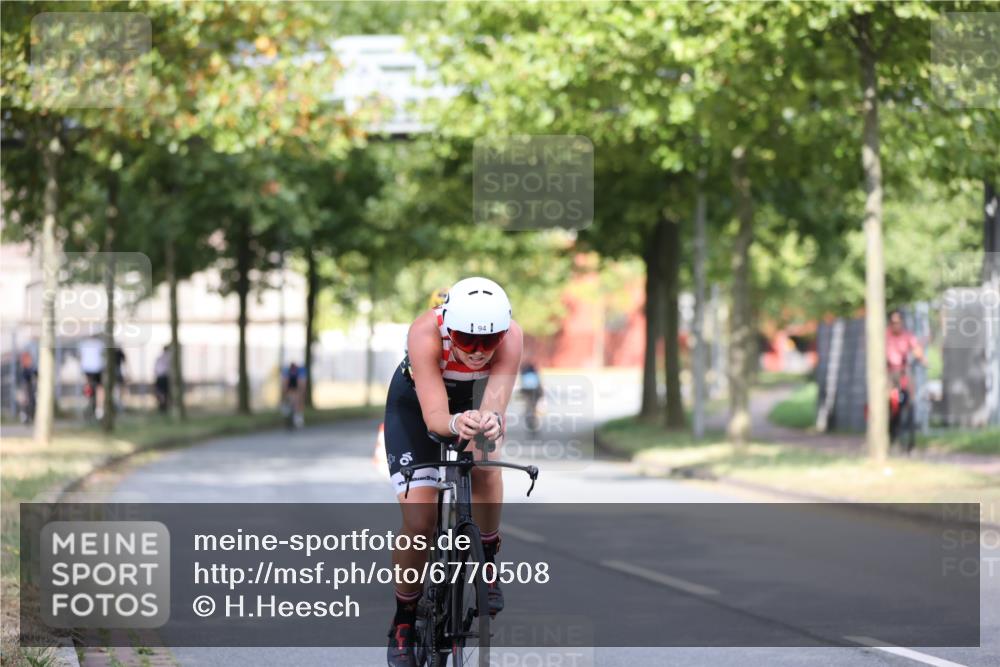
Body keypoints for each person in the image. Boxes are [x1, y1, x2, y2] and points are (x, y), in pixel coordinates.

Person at [384, 277, 522, 667]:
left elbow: (494, 402)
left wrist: (491, 421)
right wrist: (455, 422)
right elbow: (435, 416)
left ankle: (487, 558)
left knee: (484, 459)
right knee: (420, 521)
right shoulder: (425, 331)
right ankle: (404, 620)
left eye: (489, 340)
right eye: (466, 339)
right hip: (417, 407)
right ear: (448, 324)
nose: (478, 352)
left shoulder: (513, 337)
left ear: (504, 330)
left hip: (473, 400)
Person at [886, 309, 925, 447]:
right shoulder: (885, 335)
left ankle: (910, 437)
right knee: (888, 402)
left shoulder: (907, 336)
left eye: (898, 322)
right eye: (893, 322)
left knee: (910, 399)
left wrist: (922, 359)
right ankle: (890, 433)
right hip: (889, 373)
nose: (896, 325)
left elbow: (916, 349)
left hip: (903, 371)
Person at [78, 336, 105, 418]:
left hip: (92, 368)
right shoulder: (100, 344)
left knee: (94, 388)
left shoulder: (84, 343)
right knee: (96, 388)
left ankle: (96, 408)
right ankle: (95, 407)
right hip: (93, 368)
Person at [282, 361, 305, 428]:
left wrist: (301, 393)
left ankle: (298, 416)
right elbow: (285, 383)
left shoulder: (300, 371)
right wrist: (285, 393)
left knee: (298, 400)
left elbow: (302, 383)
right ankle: (288, 411)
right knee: (290, 399)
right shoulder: (287, 371)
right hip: (290, 387)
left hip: (297, 387)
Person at [18, 349, 37, 424]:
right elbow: (29, 372)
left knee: (31, 401)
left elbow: (34, 372)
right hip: (25, 384)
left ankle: (29, 417)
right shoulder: (24, 368)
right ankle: (25, 417)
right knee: (26, 401)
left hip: (29, 384)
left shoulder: (29, 367)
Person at [154, 346, 171, 413]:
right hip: (165, 377)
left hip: (159, 377)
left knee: (160, 392)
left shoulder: (159, 358)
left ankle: (162, 406)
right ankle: (164, 406)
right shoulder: (169, 357)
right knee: (165, 393)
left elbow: (155, 369)